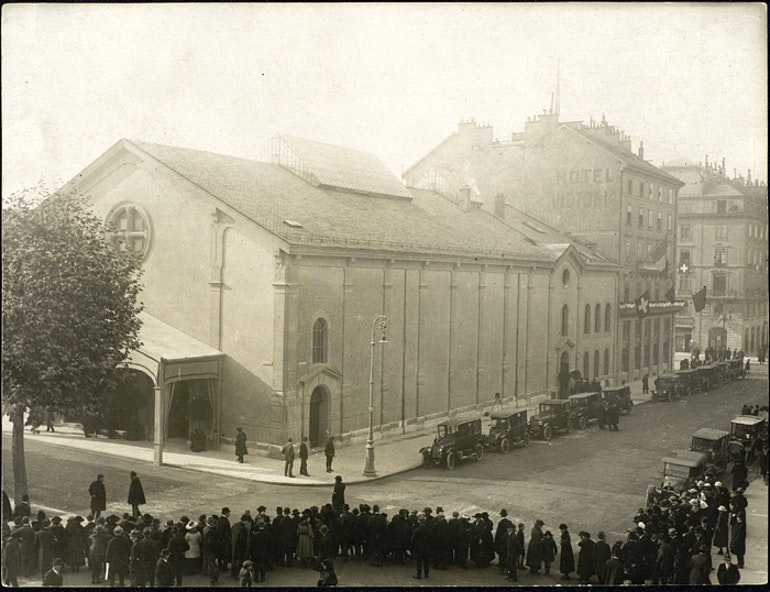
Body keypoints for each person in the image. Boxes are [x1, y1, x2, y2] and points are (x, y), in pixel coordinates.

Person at [410, 514, 431, 580]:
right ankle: (426, 574)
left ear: (419, 521)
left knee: (419, 562)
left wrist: (412, 547)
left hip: (419, 548)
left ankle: (419, 575)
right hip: (427, 547)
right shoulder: (428, 530)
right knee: (426, 561)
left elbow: (412, 539)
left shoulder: (417, 530)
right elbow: (431, 539)